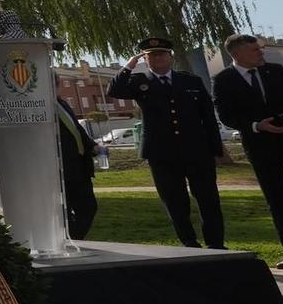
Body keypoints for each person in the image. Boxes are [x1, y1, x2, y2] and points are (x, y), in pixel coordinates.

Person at [108, 37, 225, 249]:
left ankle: (216, 243)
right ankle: (189, 243)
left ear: (171, 57)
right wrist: (129, 65)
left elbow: (207, 116)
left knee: (208, 199)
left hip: (197, 150)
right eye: (151, 55)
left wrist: (216, 149)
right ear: (145, 58)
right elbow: (114, 91)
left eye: (162, 54)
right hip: (161, 153)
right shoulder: (138, 82)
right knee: (175, 201)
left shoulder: (191, 81)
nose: (158, 58)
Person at [212, 34, 283, 270]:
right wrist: (256, 125)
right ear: (237, 54)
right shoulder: (224, 80)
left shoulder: (275, 70)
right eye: (255, 50)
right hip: (260, 145)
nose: (261, 53)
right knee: (276, 199)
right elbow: (226, 114)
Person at [56, 99, 98, 240]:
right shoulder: (41, 104)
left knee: (88, 207)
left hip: (79, 165)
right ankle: (69, 240)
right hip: (60, 168)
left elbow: (76, 128)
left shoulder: (62, 103)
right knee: (63, 212)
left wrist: (92, 146)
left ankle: (74, 239)